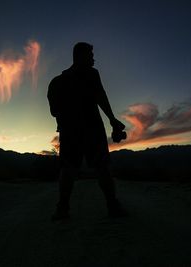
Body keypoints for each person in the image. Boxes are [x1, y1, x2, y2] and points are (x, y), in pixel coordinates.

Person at [47, 42, 128, 220]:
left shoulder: (57, 82)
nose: (93, 58)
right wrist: (112, 119)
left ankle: (62, 210)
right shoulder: (92, 74)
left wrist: (67, 116)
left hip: (69, 131)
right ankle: (113, 207)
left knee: (68, 168)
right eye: (90, 55)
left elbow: (54, 111)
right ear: (80, 56)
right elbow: (101, 96)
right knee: (102, 167)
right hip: (92, 129)